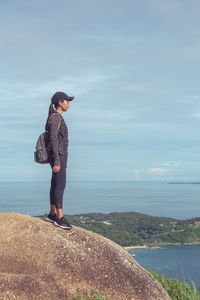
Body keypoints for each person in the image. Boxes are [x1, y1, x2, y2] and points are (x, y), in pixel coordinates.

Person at [44, 91, 74, 229]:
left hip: (61, 156)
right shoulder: (55, 118)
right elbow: (54, 140)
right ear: (60, 102)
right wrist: (57, 160)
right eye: (67, 101)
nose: (68, 104)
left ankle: (52, 214)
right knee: (60, 185)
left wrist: (64, 163)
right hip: (58, 156)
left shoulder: (56, 117)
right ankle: (59, 218)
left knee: (55, 183)